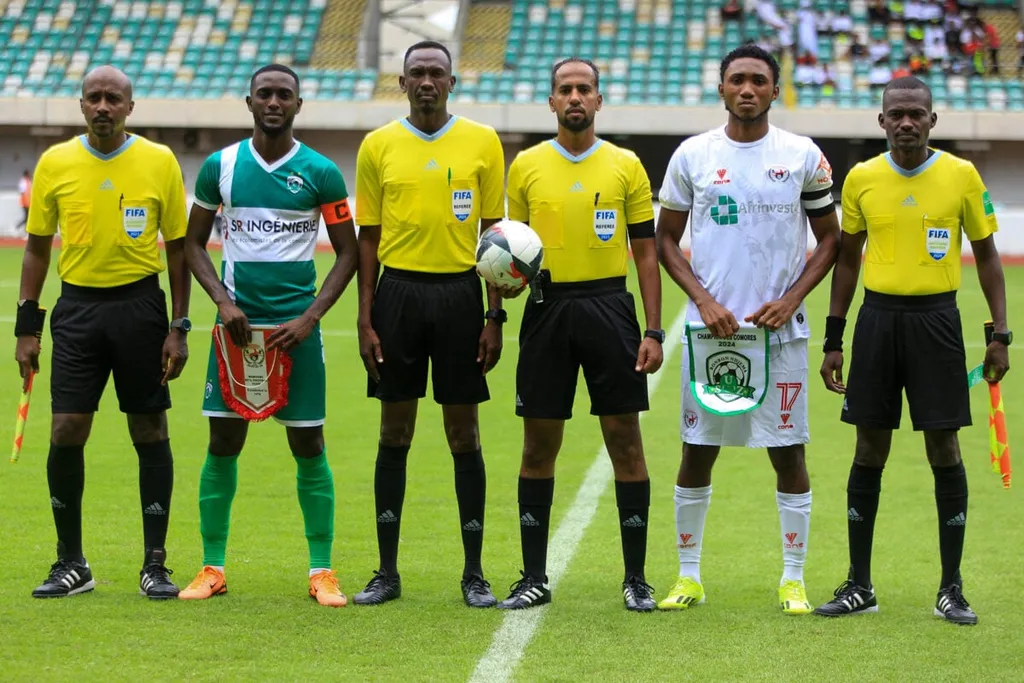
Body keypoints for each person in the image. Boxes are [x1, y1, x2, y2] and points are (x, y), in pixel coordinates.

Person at [815, 77, 1010, 626]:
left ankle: (952, 587)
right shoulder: (861, 178)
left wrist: (999, 335)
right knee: (868, 447)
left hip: (938, 323)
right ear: (881, 121)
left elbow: (988, 256)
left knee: (943, 447)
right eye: (896, 114)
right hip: (877, 322)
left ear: (932, 120)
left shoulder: (961, 175)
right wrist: (834, 338)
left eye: (916, 114)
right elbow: (847, 260)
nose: (906, 122)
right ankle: (859, 584)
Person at [655, 44, 840, 614]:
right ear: (721, 88)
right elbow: (665, 239)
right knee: (696, 451)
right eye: (737, 79)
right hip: (710, 337)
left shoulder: (802, 154)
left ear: (775, 90)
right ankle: (688, 576)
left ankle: (793, 580)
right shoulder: (693, 155)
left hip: (780, 338)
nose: (747, 89)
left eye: (758, 80)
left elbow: (830, 239)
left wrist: (791, 299)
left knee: (788, 455)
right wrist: (703, 300)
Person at [178, 64, 358, 607]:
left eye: (284, 94)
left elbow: (348, 252)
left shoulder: (322, 172)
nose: (274, 102)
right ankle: (212, 568)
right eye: (265, 94)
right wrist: (223, 302)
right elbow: (191, 244)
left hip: (294, 334)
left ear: (299, 104)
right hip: (234, 333)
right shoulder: (221, 166)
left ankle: (322, 571)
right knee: (222, 443)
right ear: (250, 101)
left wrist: (310, 318)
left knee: (308, 444)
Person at [15, 65, 190, 599]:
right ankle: (71, 562)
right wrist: (26, 327)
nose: (103, 107)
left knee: (149, 430)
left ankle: (155, 564)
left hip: (141, 309)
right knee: (66, 429)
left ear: (130, 108)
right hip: (77, 311)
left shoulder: (159, 161)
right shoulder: (55, 162)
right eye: (94, 97)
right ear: (81, 104)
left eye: (114, 98)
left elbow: (179, 250)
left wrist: (178, 326)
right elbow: (37, 248)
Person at [495, 58, 663, 612]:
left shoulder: (626, 165)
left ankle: (636, 578)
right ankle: (533, 577)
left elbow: (646, 254)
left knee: (625, 441)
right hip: (546, 309)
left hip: (610, 308)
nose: (574, 97)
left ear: (598, 100)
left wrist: (653, 329)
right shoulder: (526, 165)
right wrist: (498, 305)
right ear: (551, 101)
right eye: (564, 89)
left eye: (583, 89)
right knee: (538, 444)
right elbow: (506, 248)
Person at [354, 40, 506, 607]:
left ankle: (474, 574)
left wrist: (494, 315)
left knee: (464, 433)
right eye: (416, 73)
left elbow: (494, 237)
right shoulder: (378, 145)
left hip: (461, 296)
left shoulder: (483, 141)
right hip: (397, 295)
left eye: (436, 73)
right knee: (394, 432)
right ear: (401, 83)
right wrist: (366, 318)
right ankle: (386, 572)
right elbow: (368, 238)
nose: (426, 81)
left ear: (451, 82)